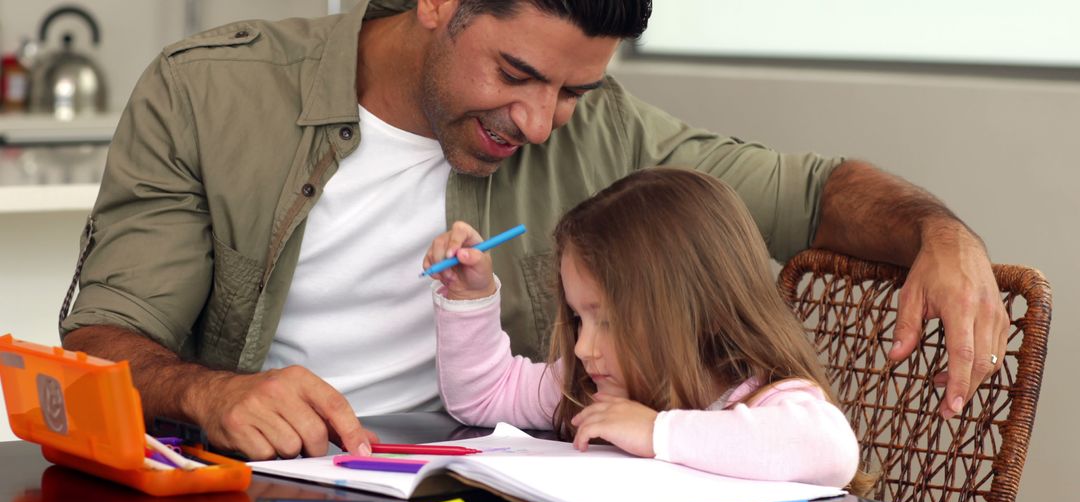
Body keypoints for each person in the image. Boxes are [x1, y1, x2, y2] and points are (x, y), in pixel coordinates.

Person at [60, 0, 1006, 460]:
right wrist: (213, 392)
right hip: (255, 498)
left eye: (573, 89)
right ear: (437, 2)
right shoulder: (209, 93)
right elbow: (103, 338)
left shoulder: (607, 131)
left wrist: (939, 230)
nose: (544, 122)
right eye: (515, 73)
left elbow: (803, 192)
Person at [427, 167, 863, 487]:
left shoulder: (769, 398)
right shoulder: (589, 389)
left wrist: (658, 432)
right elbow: (484, 396)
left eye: (610, 321)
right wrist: (470, 298)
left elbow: (831, 451)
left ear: (698, 310)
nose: (582, 349)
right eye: (579, 319)